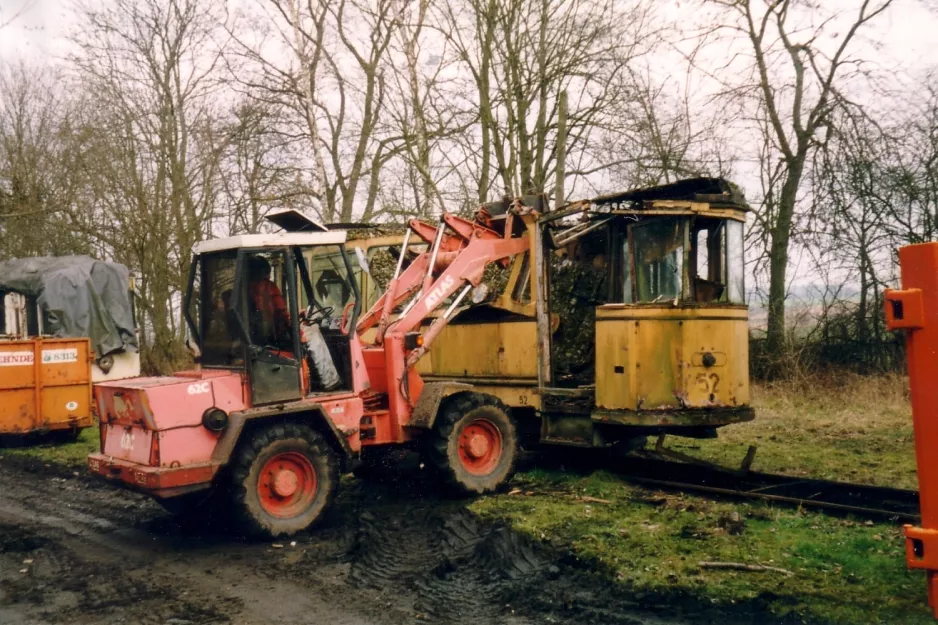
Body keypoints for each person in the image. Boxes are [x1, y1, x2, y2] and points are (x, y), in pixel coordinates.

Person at [247, 256, 290, 346]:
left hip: (250, 338)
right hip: (270, 338)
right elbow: (281, 311)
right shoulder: (269, 287)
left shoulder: (243, 289)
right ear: (263, 272)